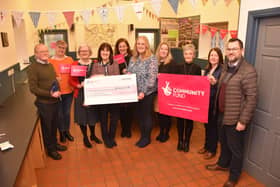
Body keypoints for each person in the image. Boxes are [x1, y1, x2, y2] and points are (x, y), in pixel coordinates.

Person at [206, 38, 257, 187]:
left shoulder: (248, 71)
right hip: (222, 115)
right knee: (223, 143)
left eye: (234, 49)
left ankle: (233, 177)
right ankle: (222, 163)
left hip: (235, 118)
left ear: (241, 51)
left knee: (236, 149)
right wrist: (215, 83)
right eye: (228, 49)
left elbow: (252, 98)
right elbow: (224, 88)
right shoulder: (226, 68)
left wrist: (243, 121)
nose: (231, 52)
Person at [27, 44, 67, 160]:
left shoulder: (49, 64)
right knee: (47, 128)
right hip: (44, 103)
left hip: (55, 101)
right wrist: (49, 94)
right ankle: (50, 150)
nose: (45, 53)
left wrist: (57, 86)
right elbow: (33, 88)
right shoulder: (33, 68)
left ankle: (54, 144)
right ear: (36, 54)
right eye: (41, 51)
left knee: (54, 125)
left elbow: (52, 79)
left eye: (46, 51)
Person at [127, 36, 158, 148]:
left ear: (146, 46)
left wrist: (143, 92)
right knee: (139, 115)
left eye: (142, 44)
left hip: (148, 93)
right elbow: (130, 73)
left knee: (146, 115)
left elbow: (152, 78)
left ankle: (146, 137)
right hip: (135, 92)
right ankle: (142, 136)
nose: (140, 46)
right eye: (138, 44)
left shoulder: (152, 58)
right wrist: (126, 75)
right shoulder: (133, 59)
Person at [69, 44, 102, 148]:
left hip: (93, 94)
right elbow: (71, 80)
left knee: (92, 116)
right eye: (82, 51)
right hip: (80, 93)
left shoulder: (96, 63)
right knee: (82, 117)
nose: (84, 53)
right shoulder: (75, 64)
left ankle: (92, 135)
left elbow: (100, 76)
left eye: (86, 51)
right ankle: (85, 137)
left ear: (90, 52)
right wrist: (78, 85)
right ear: (79, 53)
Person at [91, 42, 120, 148]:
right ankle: (105, 138)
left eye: (107, 50)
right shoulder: (95, 65)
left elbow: (117, 77)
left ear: (110, 53)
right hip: (102, 97)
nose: (105, 52)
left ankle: (111, 137)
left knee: (114, 118)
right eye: (103, 50)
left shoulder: (115, 63)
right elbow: (93, 79)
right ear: (99, 52)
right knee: (103, 118)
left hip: (114, 96)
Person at [198, 48, 223, 159]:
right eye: (211, 55)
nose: (213, 57)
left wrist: (216, 82)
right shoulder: (208, 69)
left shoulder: (222, 70)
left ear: (220, 57)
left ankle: (212, 149)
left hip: (214, 103)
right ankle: (206, 145)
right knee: (206, 126)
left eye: (215, 55)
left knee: (213, 127)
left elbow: (223, 87)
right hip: (205, 102)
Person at [176, 44, 201, 152]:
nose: (188, 55)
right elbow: (174, 82)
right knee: (180, 121)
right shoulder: (178, 67)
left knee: (189, 121)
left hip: (191, 99)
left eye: (190, 53)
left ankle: (187, 141)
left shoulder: (197, 68)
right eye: (186, 53)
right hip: (181, 98)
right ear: (183, 55)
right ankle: (180, 140)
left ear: (193, 55)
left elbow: (199, 84)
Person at [49, 40, 74, 143]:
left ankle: (67, 131)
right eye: (59, 47)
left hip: (69, 91)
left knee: (67, 113)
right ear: (55, 48)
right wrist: (54, 78)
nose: (61, 50)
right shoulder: (50, 61)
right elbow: (48, 76)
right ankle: (62, 132)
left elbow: (74, 73)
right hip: (57, 92)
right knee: (59, 114)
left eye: (63, 48)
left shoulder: (69, 59)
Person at [154, 42, 177, 142]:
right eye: (161, 49)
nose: (163, 51)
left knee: (166, 114)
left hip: (167, 93)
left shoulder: (172, 63)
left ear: (168, 52)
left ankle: (166, 133)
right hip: (157, 92)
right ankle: (161, 131)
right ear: (159, 50)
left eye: (166, 49)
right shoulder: (156, 62)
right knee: (159, 113)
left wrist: (162, 77)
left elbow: (175, 79)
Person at [114, 38, 134, 138]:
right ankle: (123, 129)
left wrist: (130, 71)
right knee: (121, 109)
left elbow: (136, 69)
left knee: (129, 109)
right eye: (120, 46)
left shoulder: (132, 57)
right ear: (118, 48)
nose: (122, 48)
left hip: (130, 86)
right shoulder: (115, 58)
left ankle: (128, 129)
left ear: (127, 47)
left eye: (124, 46)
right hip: (119, 87)